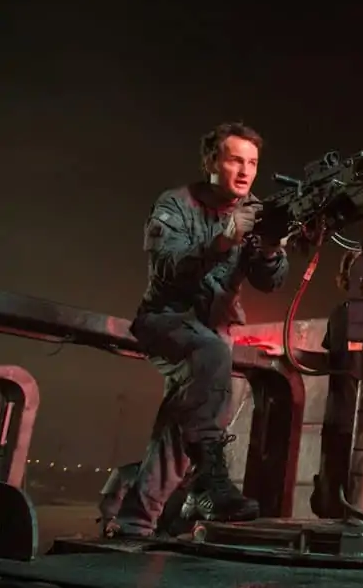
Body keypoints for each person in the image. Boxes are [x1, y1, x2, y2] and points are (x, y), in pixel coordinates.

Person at [109, 122, 289, 538]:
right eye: (234, 160)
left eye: (253, 163)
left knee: (182, 422)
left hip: (213, 332)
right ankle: (209, 481)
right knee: (208, 369)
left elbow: (271, 282)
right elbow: (167, 271)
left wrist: (270, 249)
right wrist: (224, 240)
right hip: (165, 321)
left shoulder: (255, 209)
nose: (245, 172)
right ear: (212, 162)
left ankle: (135, 521)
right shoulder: (175, 205)